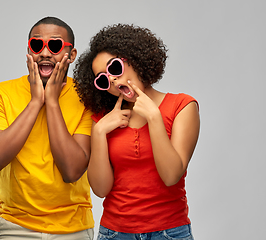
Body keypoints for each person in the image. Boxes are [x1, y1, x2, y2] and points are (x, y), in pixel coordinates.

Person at [73, 23, 200, 240]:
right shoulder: (104, 118)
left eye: (114, 68)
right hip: (114, 233)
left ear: (134, 59)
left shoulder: (182, 106)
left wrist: (154, 117)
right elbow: (101, 189)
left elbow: (171, 176)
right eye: (103, 79)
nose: (112, 79)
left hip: (169, 233)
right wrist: (99, 131)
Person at [0, 16, 94, 240]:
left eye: (55, 45)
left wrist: (51, 102)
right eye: (36, 44)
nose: (45, 52)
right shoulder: (0, 94)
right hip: (15, 226)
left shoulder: (87, 99)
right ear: (29, 51)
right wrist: (35, 102)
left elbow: (72, 171)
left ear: (71, 55)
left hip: (73, 229)